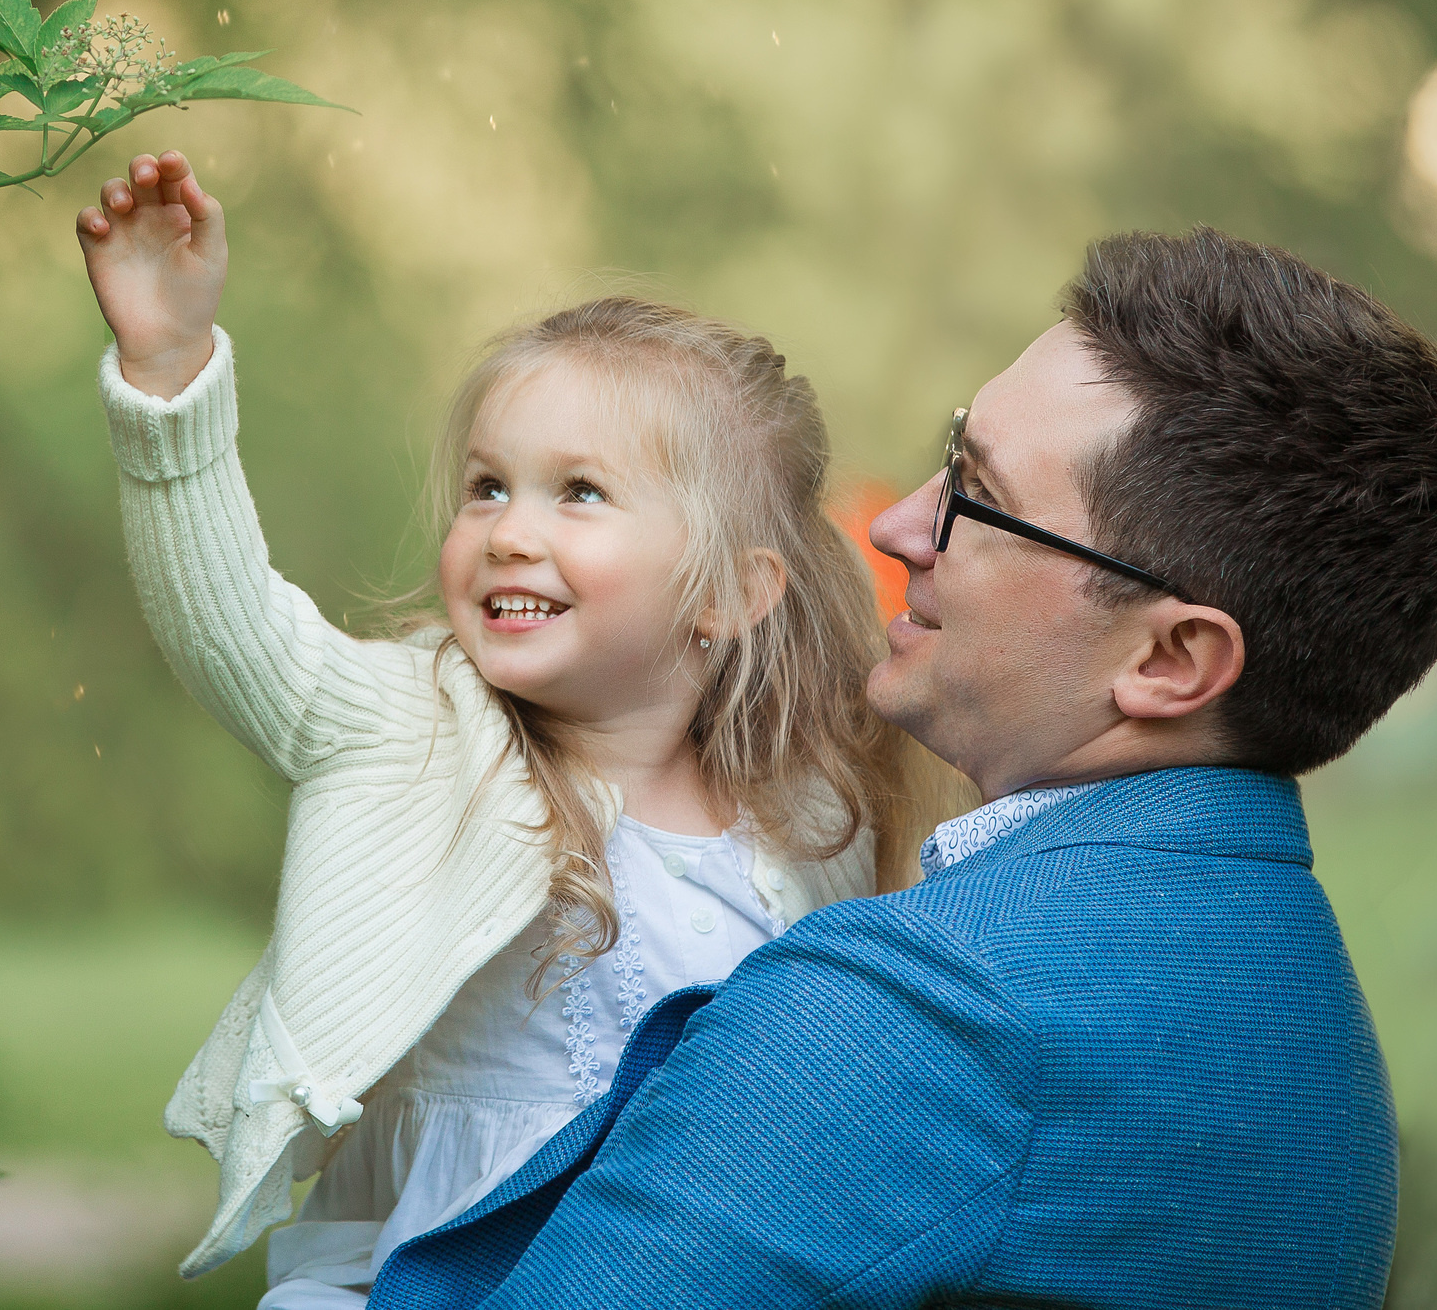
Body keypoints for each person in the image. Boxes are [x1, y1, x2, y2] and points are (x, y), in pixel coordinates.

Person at [370, 226, 1437, 1310]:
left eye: (978, 496)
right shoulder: (1302, 1012)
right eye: (948, 456)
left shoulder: (930, 1012)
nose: (902, 524)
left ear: (1168, 658)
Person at [74, 150, 937, 1298]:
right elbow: (229, 626)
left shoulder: (805, 823)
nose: (510, 530)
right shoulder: (410, 729)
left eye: (578, 493)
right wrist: (168, 367)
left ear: (731, 594)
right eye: (488, 485)